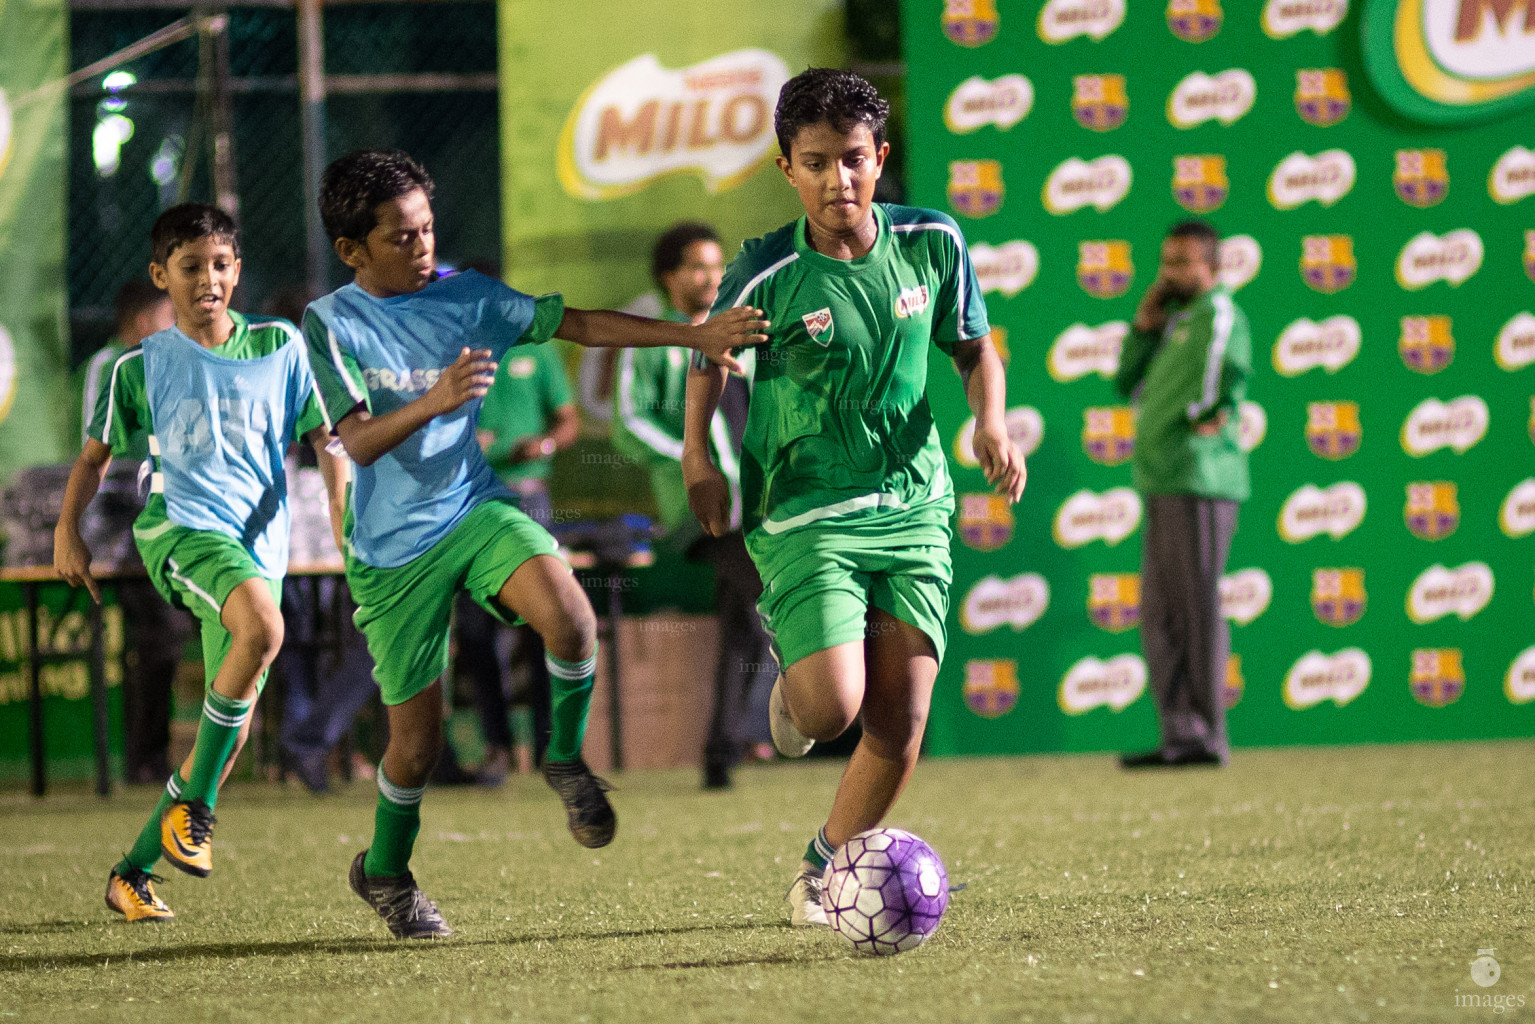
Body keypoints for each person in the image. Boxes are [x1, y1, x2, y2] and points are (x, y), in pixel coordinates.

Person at [303, 150, 766, 939]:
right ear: (351, 251)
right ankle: (384, 871)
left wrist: (690, 333)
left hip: (476, 508)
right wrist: (436, 399)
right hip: (390, 551)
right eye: (400, 238)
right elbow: (359, 442)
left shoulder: (467, 295)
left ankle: (562, 758)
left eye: (427, 229)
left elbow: (579, 323)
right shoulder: (329, 323)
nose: (422, 248)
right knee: (413, 750)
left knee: (575, 621)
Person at [682, 69, 1025, 927]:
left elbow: (976, 348)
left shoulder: (933, 241)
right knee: (831, 709)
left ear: (881, 158)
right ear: (785, 170)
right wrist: (699, 454)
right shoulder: (764, 272)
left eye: (854, 159)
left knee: (899, 721)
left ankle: (823, 868)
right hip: (805, 512)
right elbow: (708, 360)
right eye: (817, 162)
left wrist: (991, 422)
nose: (839, 179)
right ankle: (796, 687)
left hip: (913, 505)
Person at [54, 203, 347, 922]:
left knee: (232, 728)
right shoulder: (140, 367)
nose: (208, 279)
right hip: (181, 534)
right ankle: (197, 814)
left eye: (220, 265)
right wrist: (69, 529)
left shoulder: (281, 346)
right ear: (163, 277)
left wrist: (346, 531)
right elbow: (93, 460)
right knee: (265, 630)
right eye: (191, 267)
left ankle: (132, 872)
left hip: (260, 549)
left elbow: (327, 443)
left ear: (237, 272)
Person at [612, 222, 775, 790]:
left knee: (745, 626)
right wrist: (692, 457)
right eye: (697, 267)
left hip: (755, 500)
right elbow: (628, 422)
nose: (710, 276)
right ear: (669, 277)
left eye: (716, 265)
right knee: (770, 598)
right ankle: (785, 727)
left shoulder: (737, 325)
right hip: (698, 509)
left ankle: (721, 754)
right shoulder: (655, 336)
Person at [1114, 220, 1252, 769]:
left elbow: (1227, 370)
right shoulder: (1173, 322)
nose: (1169, 273)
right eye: (1165, 262)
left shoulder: (1218, 313)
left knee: (1195, 610)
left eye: (1182, 263)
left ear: (1211, 268)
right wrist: (1144, 326)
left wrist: (1202, 417)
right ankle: (1181, 733)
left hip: (1200, 478)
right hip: (1162, 478)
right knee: (1159, 614)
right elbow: (1125, 381)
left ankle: (1208, 735)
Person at [79, 279, 194, 784]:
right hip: (117, 524)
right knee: (158, 631)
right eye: (169, 315)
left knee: (170, 630)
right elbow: (107, 454)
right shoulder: (111, 366)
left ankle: (155, 755)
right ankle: (145, 757)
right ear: (144, 320)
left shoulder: (171, 364)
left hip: (159, 514)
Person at [462, 297, 579, 782]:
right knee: (474, 630)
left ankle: (551, 747)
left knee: (545, 622)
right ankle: (497, 747)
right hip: (469, 503)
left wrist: (545, 444)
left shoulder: (537, 350)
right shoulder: (454, 357)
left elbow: (568, 420)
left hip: (530, 500)